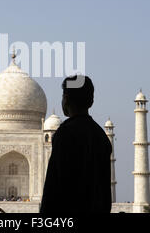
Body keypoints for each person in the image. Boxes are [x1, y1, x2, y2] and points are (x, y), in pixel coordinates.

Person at [40, 75, 112, 213]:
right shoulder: (100, 136)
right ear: (91, 101)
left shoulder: (65, 133)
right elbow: (103, 190)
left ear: (65, 99)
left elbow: (53, 187)